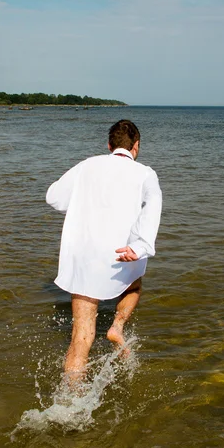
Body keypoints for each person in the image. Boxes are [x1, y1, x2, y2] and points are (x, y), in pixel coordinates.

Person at [46, 119, 162, 381]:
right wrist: (140, 245)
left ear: (109, 145)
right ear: (136, 146)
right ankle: (117, 327)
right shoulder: (145, 173)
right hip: (122, 253)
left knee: (81, 335)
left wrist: (80, 202)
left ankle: (71, 402)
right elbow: (153, 205)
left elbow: (53, 197)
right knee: (133, 284)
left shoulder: (87, 165)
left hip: (85, 256)